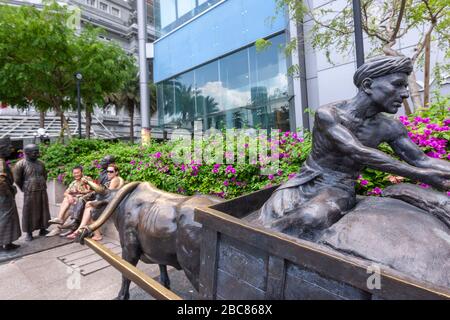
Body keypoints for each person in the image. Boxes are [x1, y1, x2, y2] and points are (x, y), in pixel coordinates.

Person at [258, 56, 450, 238]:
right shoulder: (328, 114)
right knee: (264, 222)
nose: (405, 93)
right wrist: (423, 176)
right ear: (367, 85)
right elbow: (358, 151)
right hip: (304, 181)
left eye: (406, 86)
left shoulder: (390, 127)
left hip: (339, 187)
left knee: (312, 217)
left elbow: (421, 160)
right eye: (398, 84)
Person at [67, 164, 124, 241]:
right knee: (88, 206)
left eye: (111, 171)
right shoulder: (112, 180)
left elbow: (108, 194)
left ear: (116, 172)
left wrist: (89, 183)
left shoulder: (115, 179)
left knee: (90, 208)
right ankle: (85, 231)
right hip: (109, 203)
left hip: (111, 205)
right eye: (107, 171)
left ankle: (81, 230)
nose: (108, 173)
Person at [14, 144, 50, 241]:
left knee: (43, 209)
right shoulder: (20, 164)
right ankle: (29, 233)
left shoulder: (41, 163)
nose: (37, 153)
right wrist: (25, 187)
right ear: (27, 153)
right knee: (29, 211)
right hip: (30, 190)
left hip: (42, 189)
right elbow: (17, 179)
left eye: (37, 151)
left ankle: (43, 228)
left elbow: (44, 175)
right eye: (35, 152)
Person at [46, 166, 94, 237]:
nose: (76, 174)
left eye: (78, 172)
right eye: (74, 173)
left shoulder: (86, 179)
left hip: (85, 201)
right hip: (77, 202)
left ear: (82, 172)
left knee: (70, 206)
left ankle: (59, 226)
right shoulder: (74, 183)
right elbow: (65, 193)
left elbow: (91, 190)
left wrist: (86, 185)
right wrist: (69, 196)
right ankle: (59, 220)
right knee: (67, 199)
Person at [0, 137, 21, 250]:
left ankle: (7, 242)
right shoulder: (1, 162)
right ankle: (4, 242)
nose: (11, 149)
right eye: (8, 147)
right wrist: (8, 192)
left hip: (4, 195)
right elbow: (1, 181)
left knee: (6, 218)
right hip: (4, 196)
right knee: (5, 218)